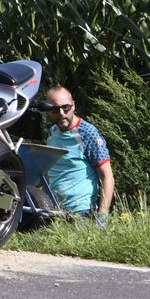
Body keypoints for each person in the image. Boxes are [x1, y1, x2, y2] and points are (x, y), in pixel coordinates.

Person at [43, 85, 115, 226]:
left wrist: (102, 215)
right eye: (55, 109)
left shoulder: (87, 133)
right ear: (48, 111)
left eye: (66, 107)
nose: (62, 113)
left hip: (80, 213)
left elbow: (107, 176)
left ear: (73, 105)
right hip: (52, 209)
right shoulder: (52, 132)